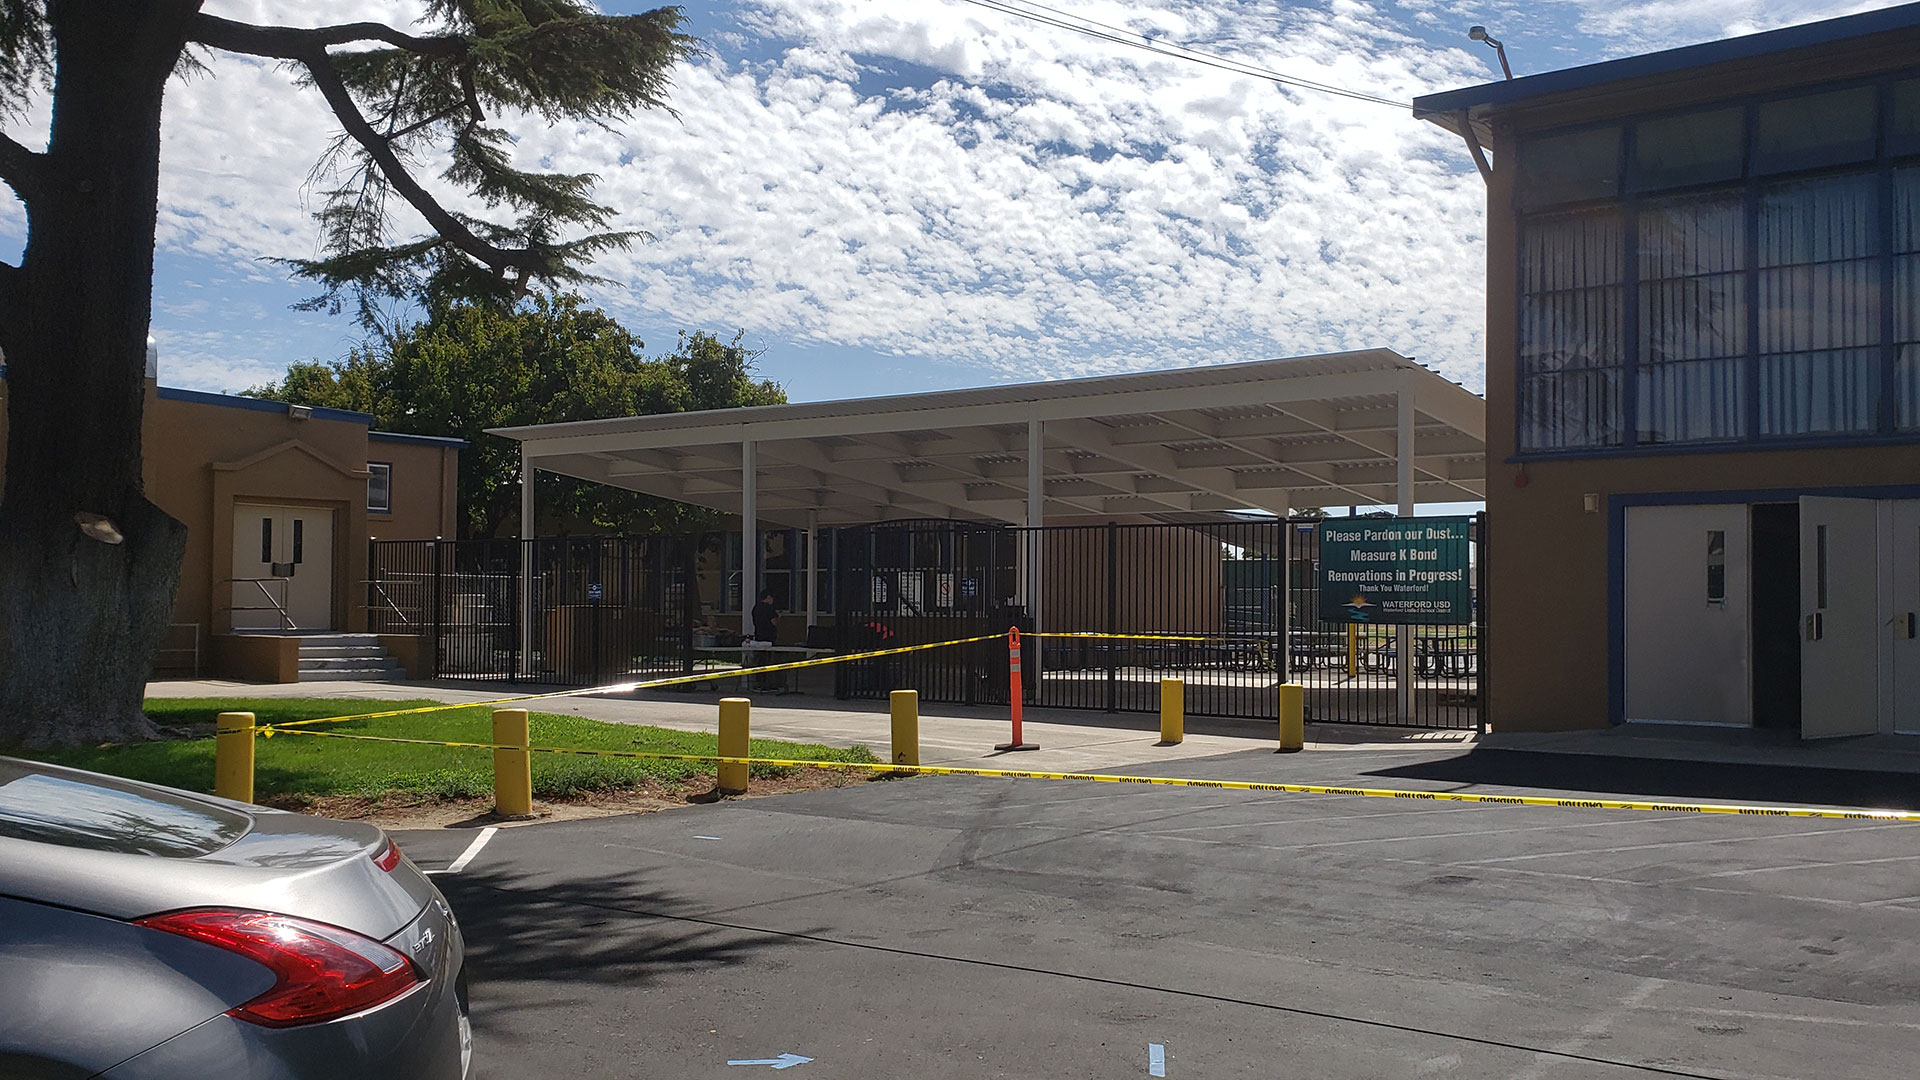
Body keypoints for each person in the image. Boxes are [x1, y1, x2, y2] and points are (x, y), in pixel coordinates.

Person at [749, 590, 780, 691]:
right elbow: (774, 622)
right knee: (769, 661)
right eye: (771, 598)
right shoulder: (770, 608)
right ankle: (768, 683)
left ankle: (758, 683)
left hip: (758, 637)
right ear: (768, 597)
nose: (772, 600)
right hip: (769, 637)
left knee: (759, 661)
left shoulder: (756, 608)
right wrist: (779, 617)